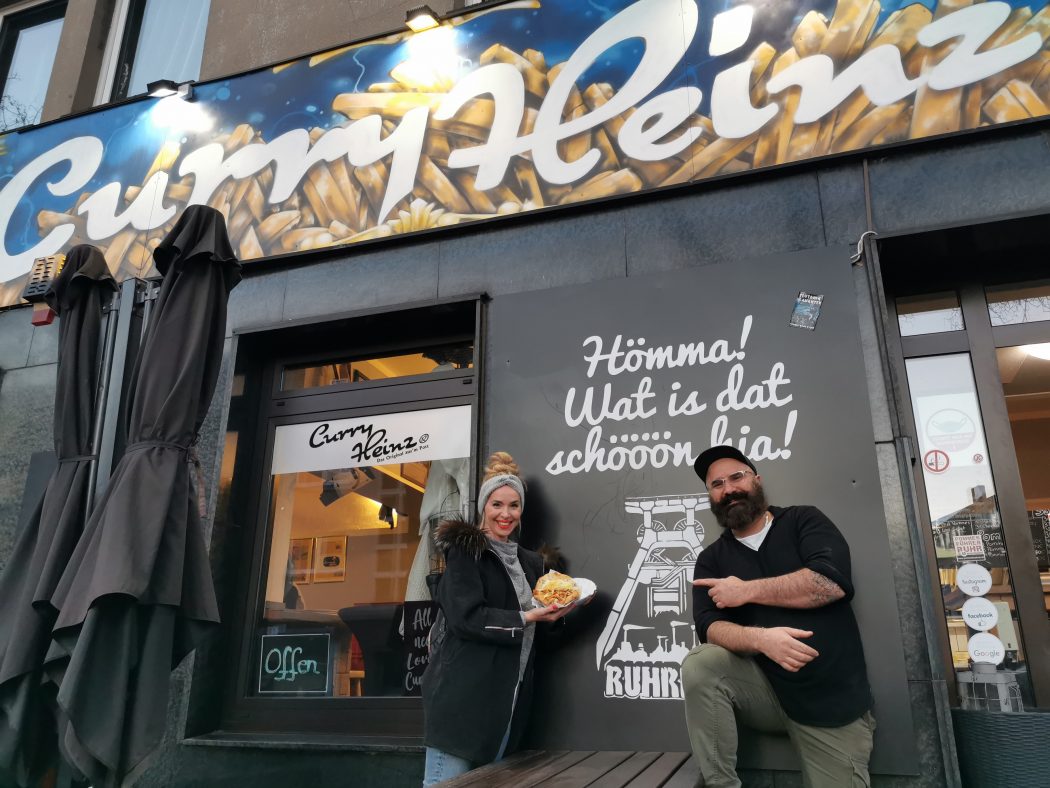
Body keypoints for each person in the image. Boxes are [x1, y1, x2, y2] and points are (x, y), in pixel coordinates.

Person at [682, 445, 875, 788]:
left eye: (737, 477)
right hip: (763, 694)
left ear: (756, 480)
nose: (729, 489)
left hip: (830, 702)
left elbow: (829, 583)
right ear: (710, 496)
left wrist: (746, 591)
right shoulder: (712, 558)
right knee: (701, 662)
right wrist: (760, 639)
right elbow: (709, 627)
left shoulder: (803, 520)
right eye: (717, 484)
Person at [420, 452, 571, 786]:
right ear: (484, 507)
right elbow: (466, 619)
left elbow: (539, 636)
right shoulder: (465, 552)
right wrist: (528, 615)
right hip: (462, 696)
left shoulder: (531, 563)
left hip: (508, 702)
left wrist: (556, 615)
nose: (506, 514)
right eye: (497, 504)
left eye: (514, 505)